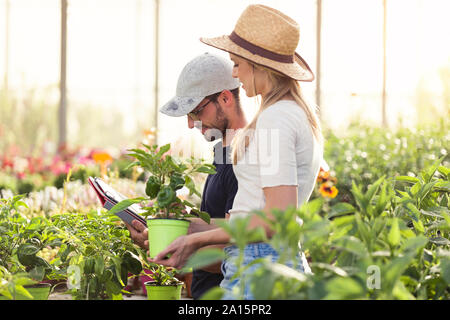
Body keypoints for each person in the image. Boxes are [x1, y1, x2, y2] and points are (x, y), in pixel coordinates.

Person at [149, 4, 324, 300]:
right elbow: (259, 212)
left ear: (258, 65)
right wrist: (188, 227)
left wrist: (197, 240)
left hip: (259, 268)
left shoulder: (277, 117)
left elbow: (276, 218)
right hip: (266, 263)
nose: (234, 72)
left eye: (237, 63)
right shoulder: (290, 113)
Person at [125, 52, 247, 299]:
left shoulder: (243, 159)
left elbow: (235, 249)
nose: (191, 124)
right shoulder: (223, 150)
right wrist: (165, 233)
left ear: (225, 98)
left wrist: (174, 250)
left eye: (195, 112)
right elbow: (218, 225)